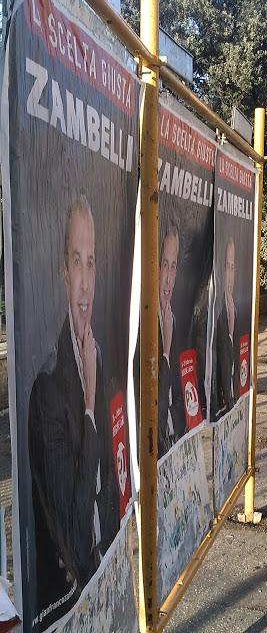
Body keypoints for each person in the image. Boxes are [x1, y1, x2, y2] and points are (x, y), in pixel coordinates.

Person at [28, 197, 119, 626]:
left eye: (92, 263)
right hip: (77, 598)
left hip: (112, 573)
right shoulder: (48, 389)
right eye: (76, 262)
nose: (85, 282)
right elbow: (73, 521)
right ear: (64, 273)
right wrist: (87, 409)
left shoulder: (101, 356)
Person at [158, 224, 185, 458]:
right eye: (164, 265)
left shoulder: (172, 320)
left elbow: (178, 394)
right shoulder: (142, 324)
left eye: (173, 266)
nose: (168, 279)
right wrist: (165, 353)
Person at [214, 238, 240, 419]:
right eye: (226, 267)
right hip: (219, 406)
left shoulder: (235, 310)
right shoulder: (215, 311)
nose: (229, 274)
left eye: (232, 267)